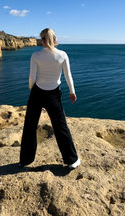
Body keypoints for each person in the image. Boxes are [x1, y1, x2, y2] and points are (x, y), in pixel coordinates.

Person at [20, 28, 81, 169]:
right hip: (54, 94)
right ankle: (72, 160)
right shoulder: (62, 55)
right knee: (60, 127)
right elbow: (68, 76)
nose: (42, 41)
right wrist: (72, 92)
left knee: (30, 125)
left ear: (43, 40)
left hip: (37, 92)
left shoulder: (35, 55)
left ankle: (25, 160)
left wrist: (31, 89)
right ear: (54, 39)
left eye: (42, 39)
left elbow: (32, 77)